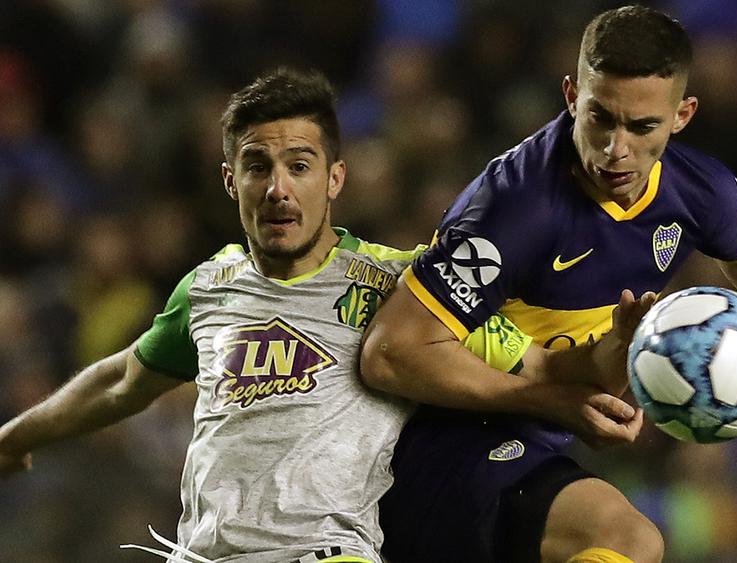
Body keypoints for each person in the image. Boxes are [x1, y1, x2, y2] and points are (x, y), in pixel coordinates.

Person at [359, 6, 737, 563]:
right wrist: (545, 399)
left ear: (683, 115)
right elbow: (393, 353)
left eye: (641, 127)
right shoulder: (516, 210)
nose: (614, 149)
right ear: (572, 95)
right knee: (627, 538)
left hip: (534, 436)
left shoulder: (695, 189)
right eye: (599, 117)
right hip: (432, 446)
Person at [0, 68, 646, 563]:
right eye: (257, 165)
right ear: (231, 180)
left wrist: (616, 349)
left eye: (299, 165)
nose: (278, 186)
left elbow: (538, 364)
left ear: (334, 178)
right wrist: (17, 436)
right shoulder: (208, 288)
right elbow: (121, 381)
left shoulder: (407, 285)